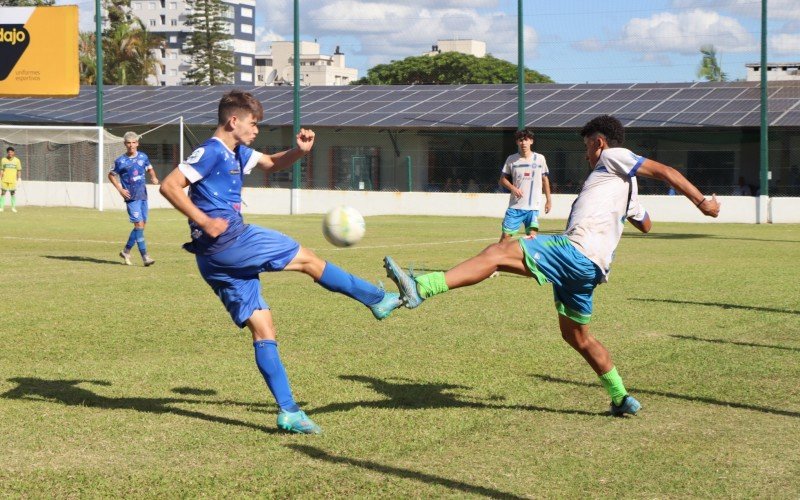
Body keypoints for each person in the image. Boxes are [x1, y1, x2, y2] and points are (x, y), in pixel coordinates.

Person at [384, 115, 720, 416]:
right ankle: (621, 397)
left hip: (576, 251)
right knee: (576, 336)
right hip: (592, 269)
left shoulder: (613, 156)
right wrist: (626, 208)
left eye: (588, 148)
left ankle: (422, 287)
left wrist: (702, 202)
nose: (587, 156)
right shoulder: (625, 187)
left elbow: (666, 172)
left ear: (599, 143)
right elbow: (646, 224)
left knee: (497, 253)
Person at [159, 90, 402, 435]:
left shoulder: (236, 151)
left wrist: (299, 152)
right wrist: (205, 219)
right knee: (308, 260)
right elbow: (170, 186)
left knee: (264, 329)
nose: (256, 130)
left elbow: (272, 163)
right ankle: (377, 299)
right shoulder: (211, 151)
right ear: (233, 121)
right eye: (253, 123)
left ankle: (289, 412)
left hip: (213, 260)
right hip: (231, 240)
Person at [108, 132, 160, 266]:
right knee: (138, 226)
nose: (131, 145)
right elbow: (111, 175)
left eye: (133, 142)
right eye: (128, 143)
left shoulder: (143, 156)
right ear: (125, 144)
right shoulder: (121, 161)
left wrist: (153, 177)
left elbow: (150, 168)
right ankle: (145, 257)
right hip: (131, 197)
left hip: (142, 195)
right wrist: (120, 189)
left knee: (141, 227)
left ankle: (126, 251)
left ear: (137, 143)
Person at [498, 128, 552, 242]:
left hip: (533, 207)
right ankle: (497, 259)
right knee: (505, 238)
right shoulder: (511, 159)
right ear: (517, 142)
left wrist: (548, 200)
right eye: (521, 140)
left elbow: (545, 180)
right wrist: (513, 188)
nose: (524, 143)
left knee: (532, 239)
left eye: (526, 140)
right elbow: (502, 180)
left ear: (531, 141)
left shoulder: (540, 159)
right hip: (515, 207)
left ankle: (527, 260)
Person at [1, 146, 22, 213]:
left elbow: (19, 170)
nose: (10, 153)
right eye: (9, 152)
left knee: (13, 194)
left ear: (13, 153)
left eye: (11, 152)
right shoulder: (3, 160)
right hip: (4, 180)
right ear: (7, 153)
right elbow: (1, 170)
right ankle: (1, 207)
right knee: (3, 193)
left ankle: (13, 208)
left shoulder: (17, 160)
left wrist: (19, 178)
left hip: (13, 180)